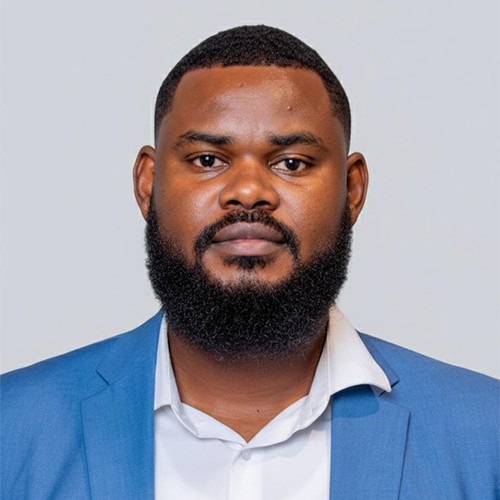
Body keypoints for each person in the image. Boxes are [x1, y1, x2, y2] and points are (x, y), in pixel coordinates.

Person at [1, 25, 498, 500]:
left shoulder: (486, 434)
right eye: (207, 160)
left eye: (291, 163)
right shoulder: (12, 427)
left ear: (352, 190)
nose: (248, 192)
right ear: (148, 185)